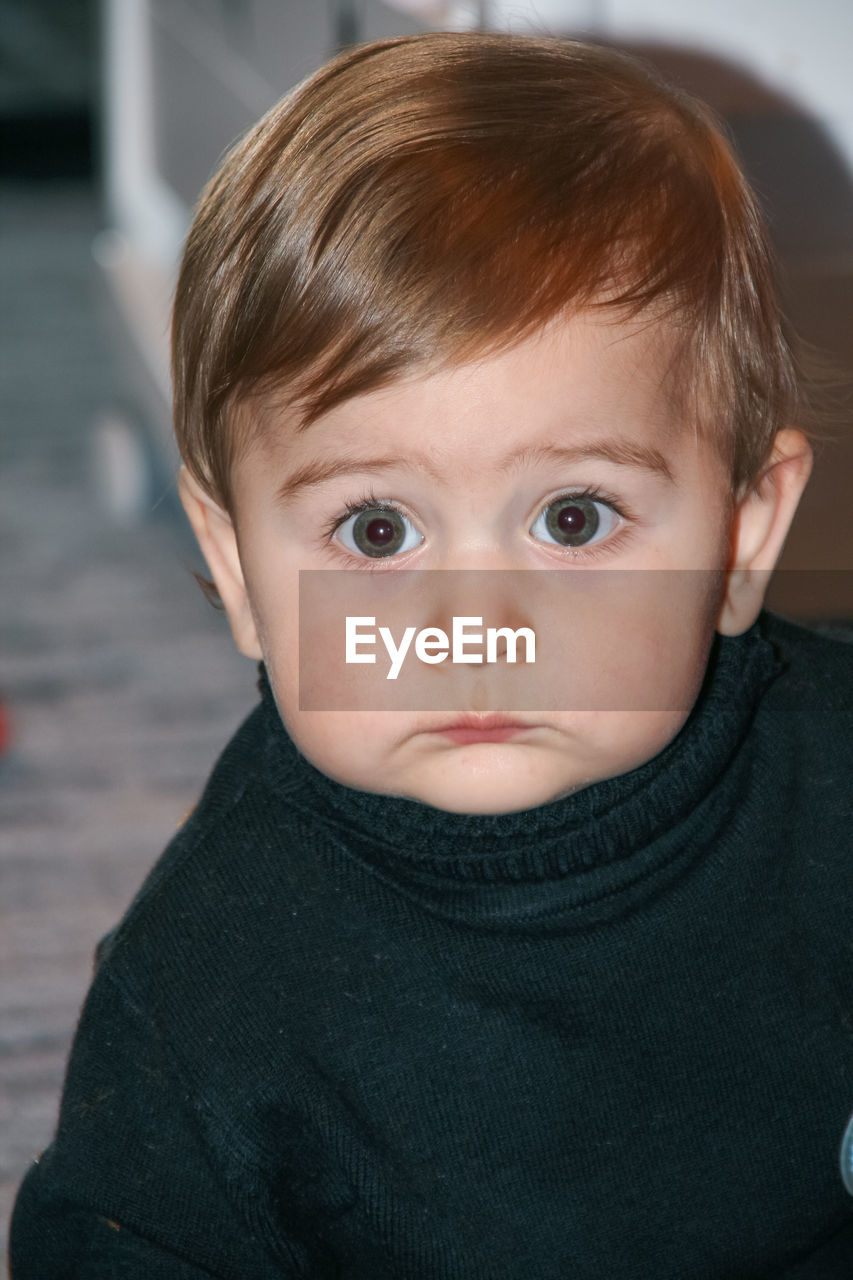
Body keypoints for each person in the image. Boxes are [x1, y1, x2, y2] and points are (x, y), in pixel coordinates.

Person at [9, 31, 853, 1279]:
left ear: (740, 536)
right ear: (238, 567)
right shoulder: (212, 982)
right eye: (376, 528)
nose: (476, 625)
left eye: (572, 518)